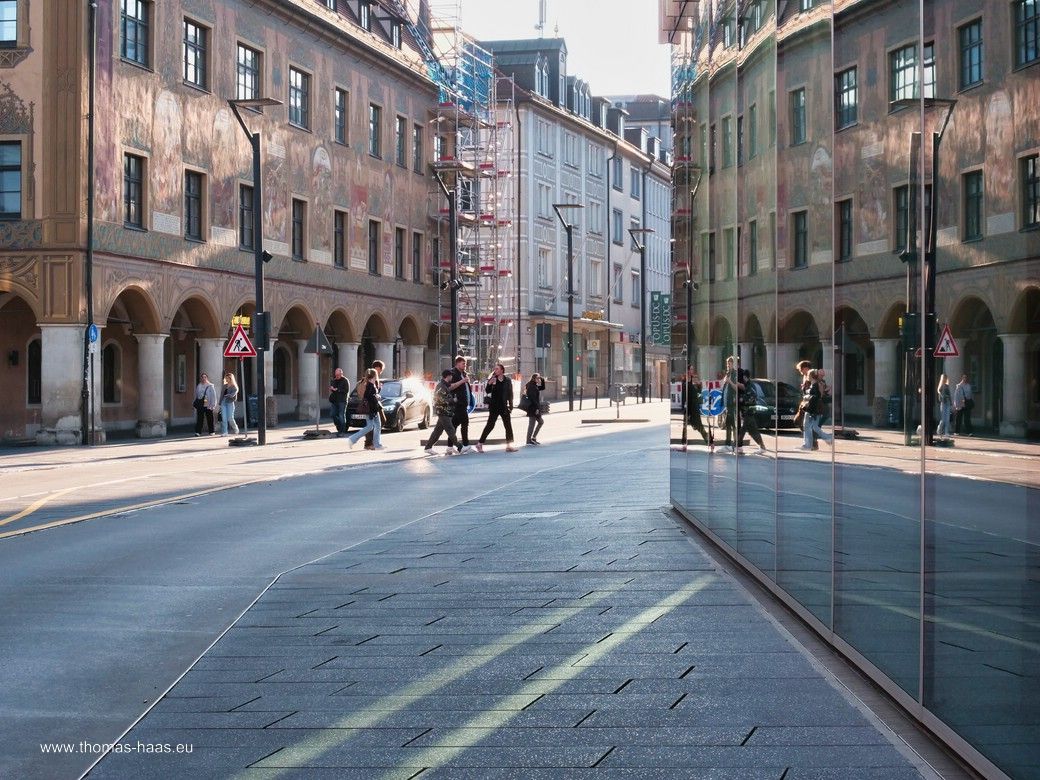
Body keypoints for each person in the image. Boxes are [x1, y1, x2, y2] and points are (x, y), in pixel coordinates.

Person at [477, 363, 517, 452]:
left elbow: (510, 393)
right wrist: (489, 384)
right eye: (495, 369)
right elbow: (487, 391)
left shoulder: (507, 380)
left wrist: (510, 405)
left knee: (508, 426)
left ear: (502, 370)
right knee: (490, 426)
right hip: (494, 406)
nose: (495, 370)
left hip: (504, 406)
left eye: (497, 369)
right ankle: (479, 444)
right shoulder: (493, 379)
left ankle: (509, 445)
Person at [423, 369, 463, 456]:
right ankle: (460, 446)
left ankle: (428, 447)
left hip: (444, 411)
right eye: (451, 375)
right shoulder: (441, 386)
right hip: (443, 411)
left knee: (437, 431)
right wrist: (453, 400)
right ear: (448, 376)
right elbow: (440, 400)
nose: (452, 377)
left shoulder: (444, 385)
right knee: (450, 430)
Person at [345, 369, 384, 450]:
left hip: (371, 408)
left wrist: (378, 390)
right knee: (374, 426)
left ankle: (353, 440)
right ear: (374, 376)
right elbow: (368, 396)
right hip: (371, 409)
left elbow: (370, 395)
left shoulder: (368, 383)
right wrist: (376, 396)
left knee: (373, 426)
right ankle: (376, 444)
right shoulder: (370, 384)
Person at [798, 369, 833, 450]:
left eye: (808, 375)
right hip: (815, 409)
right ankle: (827, 439)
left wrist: (806, 396)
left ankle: (807, 445)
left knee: (807, 427)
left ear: (810, 376)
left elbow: (816, 397)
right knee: (814, 427)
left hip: (812, 409)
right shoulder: (816, 384)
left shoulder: (815, 385)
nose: (807, 376)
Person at [738, 369, 767, 454]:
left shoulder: (750, 386)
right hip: (748, 411)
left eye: (743, 377)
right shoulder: (748, 385)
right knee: (753, 431)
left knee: (743, 430)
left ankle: (738, 446)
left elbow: (752, 396)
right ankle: (762, 447)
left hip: (749, 411)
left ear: (744, 377)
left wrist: (742, 399)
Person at [449, 355, 473, 452]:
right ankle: (465, 445)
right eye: (463, 364)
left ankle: (450, 446)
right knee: (464, 423)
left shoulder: (463, 373)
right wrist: (462, 381)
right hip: (458, 403)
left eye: (465, 364)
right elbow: (450, 387)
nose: (465, 365)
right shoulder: (453, 373)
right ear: (458, 363)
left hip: (463, 403)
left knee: (454, 424)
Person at [682, 368, 711, 446]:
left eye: (692, 369)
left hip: (694, 407)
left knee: (699, 425)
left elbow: (698, 393)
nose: (692, 371)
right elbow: (684, 393)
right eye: (690, 369)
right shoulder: (686, 382)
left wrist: (699, 385)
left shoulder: (695, 383)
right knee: (685, 424)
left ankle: (709, 441)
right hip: (688, 406)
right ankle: (684, 442)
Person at [722, 355, 742, 452]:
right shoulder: (728, 373)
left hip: (732, 402)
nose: (727, 365)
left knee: (731, 424)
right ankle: (731, 445)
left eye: (729, 363)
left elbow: (736, 388)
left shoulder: (734, 374)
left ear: (733, 364)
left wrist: (729, 381)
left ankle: (731, 444)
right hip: (727, 402)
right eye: (727, 363)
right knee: (729, 424)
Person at [364, 359, 384, 449]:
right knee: (373, 425)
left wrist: (379, 389)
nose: (380, 371)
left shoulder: (374, 378)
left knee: (377, 423)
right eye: (379, 369)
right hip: (372, 405)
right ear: (376, 368)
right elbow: (370, 393)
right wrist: (377, 393)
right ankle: (370, 443)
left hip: (375, 405)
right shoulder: (372, 378)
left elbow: (373, 392)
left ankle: (372, 443)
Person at [524, 372, 546, 445]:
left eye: (539, 378)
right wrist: (536, 408)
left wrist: (542, 379)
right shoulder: (531, 386)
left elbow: (542, 387)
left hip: (535, 407)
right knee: (532, 424)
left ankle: (533, 438)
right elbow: (533, 399)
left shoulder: (534, 385)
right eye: (538, 378)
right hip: (533, 408)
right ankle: (528, 440)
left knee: (540, 422)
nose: (539, 379)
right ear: (534, 379)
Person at [328, 367, 349, 435]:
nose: (337, 376)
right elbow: (332, 388)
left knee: (341, 415)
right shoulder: (334, 380)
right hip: (335, 401)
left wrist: (338, 390)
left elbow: (346, 390)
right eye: (336, 375)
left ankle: (342, 431)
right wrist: (331, 389)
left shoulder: (345, 380)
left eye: (338, 375)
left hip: (342, 400)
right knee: (332, 414)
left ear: (341, 374)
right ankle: (339, 425)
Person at [219, 371, 240, 436]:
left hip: (230, 402)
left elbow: (234, 394)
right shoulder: (224, 386)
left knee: (230, 418)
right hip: (223, 402)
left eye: (228, 378)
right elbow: (221, 394)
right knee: (224, 418)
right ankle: (225, 432)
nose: (227, 379)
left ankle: (236, 428)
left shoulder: (234, 386)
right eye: (226, 378)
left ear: (231, 379)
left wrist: (229, 395)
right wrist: (220, 403)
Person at [936, 373, 953, 438]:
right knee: (943, 419)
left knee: (947, 418)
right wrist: (944, 397)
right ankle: (939, 429)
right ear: (942, 379)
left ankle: (946, 432)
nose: (945, 379)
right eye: (944, 378)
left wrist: (951, 402)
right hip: (943, 403)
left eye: (945, 378)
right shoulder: (940, 387)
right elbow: (940, 396)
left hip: (948, 403)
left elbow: (949, 395)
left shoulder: (947, 386)